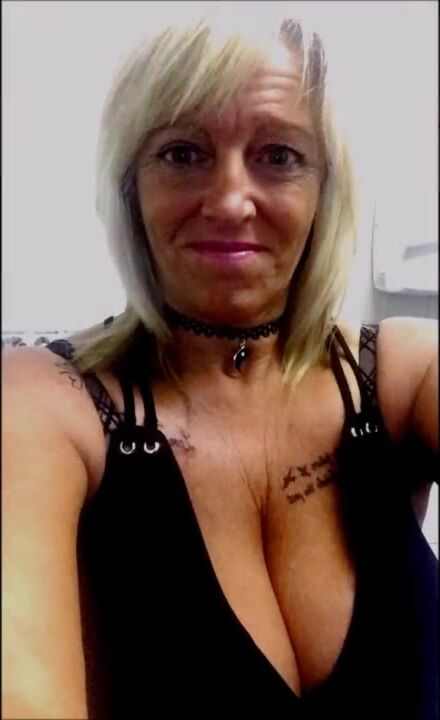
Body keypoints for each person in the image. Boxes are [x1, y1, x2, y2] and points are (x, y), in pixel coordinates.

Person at [3, 8, 438, 720]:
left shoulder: (401, 374)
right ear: (130, 186)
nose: (232, 201)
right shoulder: (38, 403)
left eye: (278, 156)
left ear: (325, 190)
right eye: (182, 154)